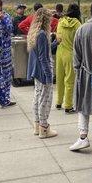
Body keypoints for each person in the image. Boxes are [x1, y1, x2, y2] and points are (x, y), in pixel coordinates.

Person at [69, 0, 92, 151]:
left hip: (86, 73)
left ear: (90, 11)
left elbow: (76, 55)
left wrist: (78, 70)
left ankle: (83, 137)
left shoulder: (82, 29)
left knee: (83, 106)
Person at [26, 8, 57, 139]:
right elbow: (44, 58)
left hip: (36, 71)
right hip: (43, 71)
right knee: (45, 99)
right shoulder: (43, 34)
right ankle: (44, 128)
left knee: (37, 97)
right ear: (46, 20)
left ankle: (37, 126)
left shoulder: (33, 33)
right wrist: (49, 76)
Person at [55, 3, 81, 113]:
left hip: (60, 52)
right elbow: (79, 41)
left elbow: (58, 38)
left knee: (60, 79)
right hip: (70, 53)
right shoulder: (78, 24)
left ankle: (59, 102)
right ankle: (69, 105)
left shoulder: (60, 21)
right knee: (70, 80)